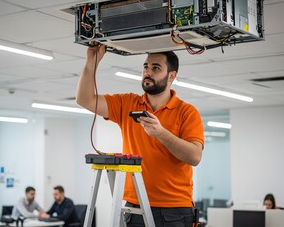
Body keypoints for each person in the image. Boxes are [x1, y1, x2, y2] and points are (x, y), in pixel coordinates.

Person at [76, 44, 204, 227]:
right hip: (135, 206)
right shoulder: (128, 103)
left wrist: (161, 133)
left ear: (171, 76)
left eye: (155, 68)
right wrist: (91, 63)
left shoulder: (187, 112)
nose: (148, 72)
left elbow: (194, 156)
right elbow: (84, 99)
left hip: (174, 210)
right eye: (145, 67)